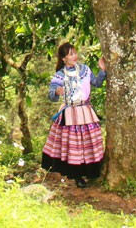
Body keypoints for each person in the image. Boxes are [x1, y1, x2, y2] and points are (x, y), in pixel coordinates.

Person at [41, 41, 107, 188]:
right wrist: (56, 92)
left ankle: (91, 172)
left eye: (75, 53)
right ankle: (77, 176)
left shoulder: (85, 69)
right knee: (75, 145)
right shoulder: (59, 76)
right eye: (71, 54)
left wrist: (102, 70)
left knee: (88, 143)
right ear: (63, 58)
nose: (75, 56)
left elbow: (96, 83)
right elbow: (51, 95)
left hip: (85, 110)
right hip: (70, 112)